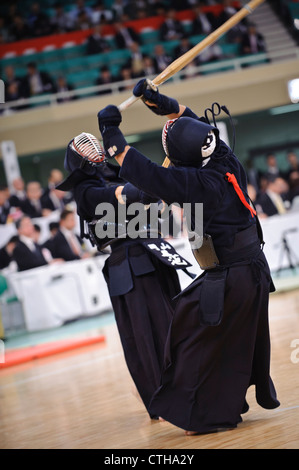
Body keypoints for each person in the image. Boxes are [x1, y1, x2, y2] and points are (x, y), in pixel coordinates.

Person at [97, 80, 280, 434]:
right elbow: (190, 120)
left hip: (233, 276)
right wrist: (157, 101)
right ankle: (226, 403)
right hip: (246, 272)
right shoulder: (222, 156)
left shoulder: (196, 184)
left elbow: (145, 172)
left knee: (190, 341)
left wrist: (111, 132)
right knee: (226, 341)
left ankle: (204, 415)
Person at [56, 131, 191, 420]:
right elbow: (128, 195)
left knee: (174, 320)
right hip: (129, 262)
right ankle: (163, 392)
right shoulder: (87, 193)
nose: (94, 150)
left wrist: (161, 180)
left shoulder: (113, 177)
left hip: (153, 252)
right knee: (146, 331)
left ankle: (187, 382)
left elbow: (145, 199)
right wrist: (154, 184)